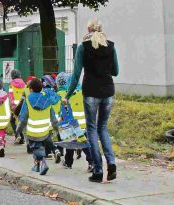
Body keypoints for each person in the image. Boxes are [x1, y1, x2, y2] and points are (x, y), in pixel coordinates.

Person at [65, 19, 119, 183]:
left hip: (90, 93)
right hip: (108, 92)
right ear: (101, 29)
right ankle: (111, 162)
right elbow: (115, 71)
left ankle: (97, 170)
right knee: (103, 128)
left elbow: (75, 75)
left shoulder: (83, 47)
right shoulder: (111, 46)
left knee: (92, 130)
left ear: (88, 29)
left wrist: (67, 95)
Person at [17, 78, 58, 175]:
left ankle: (43, 162)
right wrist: (56, 128)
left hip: (32, 131)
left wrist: (18, 129)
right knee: (41, 145)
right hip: (45, 130)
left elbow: (23, 118)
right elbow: (53, 117)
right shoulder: (47, 100)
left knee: (37, 148)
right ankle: (36, 166)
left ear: (30, 89)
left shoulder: (27, 100)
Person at [41, 75, 62, 163]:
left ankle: (54, 150)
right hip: (56, 118)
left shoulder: (43, 94)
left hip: (47, 118)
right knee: (50, 136)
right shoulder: (56, 94)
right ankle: (49, 152)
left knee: (45, 136)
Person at [8, 70, 26, 144]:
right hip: (22, 105)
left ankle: (18, 135)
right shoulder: (24, 84)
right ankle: (21, 139)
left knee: (12, 120)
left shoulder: (11, 85)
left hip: (15, 106)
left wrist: (12, 104)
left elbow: (11, 95)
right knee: (20, 121)